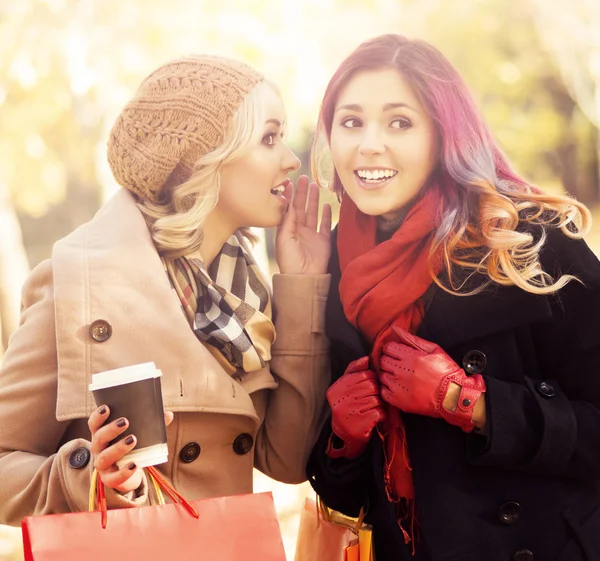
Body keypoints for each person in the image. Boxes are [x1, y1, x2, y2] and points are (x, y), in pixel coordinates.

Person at [0, 54, 333, 525]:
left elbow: (288, 460)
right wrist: (88, 476)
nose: (290, 159)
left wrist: (301, 284)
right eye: (269, 138)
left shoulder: (243, 292)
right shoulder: (76, 283)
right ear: (203, 158)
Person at [307, 34, 600, 561]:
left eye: (400, 122)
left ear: (445, 134)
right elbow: (345, 495)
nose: (369, 144)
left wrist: (474, 403)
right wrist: (344, 442)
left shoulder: (530, 239)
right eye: (350, 122)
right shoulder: (333, 264)